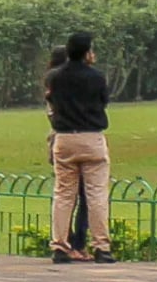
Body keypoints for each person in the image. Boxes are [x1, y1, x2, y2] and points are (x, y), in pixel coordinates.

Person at [46, 33, 114, 263]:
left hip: (64, 138)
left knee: (64, 194)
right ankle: (101, 247)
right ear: (87, 52)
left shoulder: (55, 77)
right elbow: (103, 101)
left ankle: (60, 246)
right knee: (96, 194)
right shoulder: (96, 77)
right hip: (91, 136)